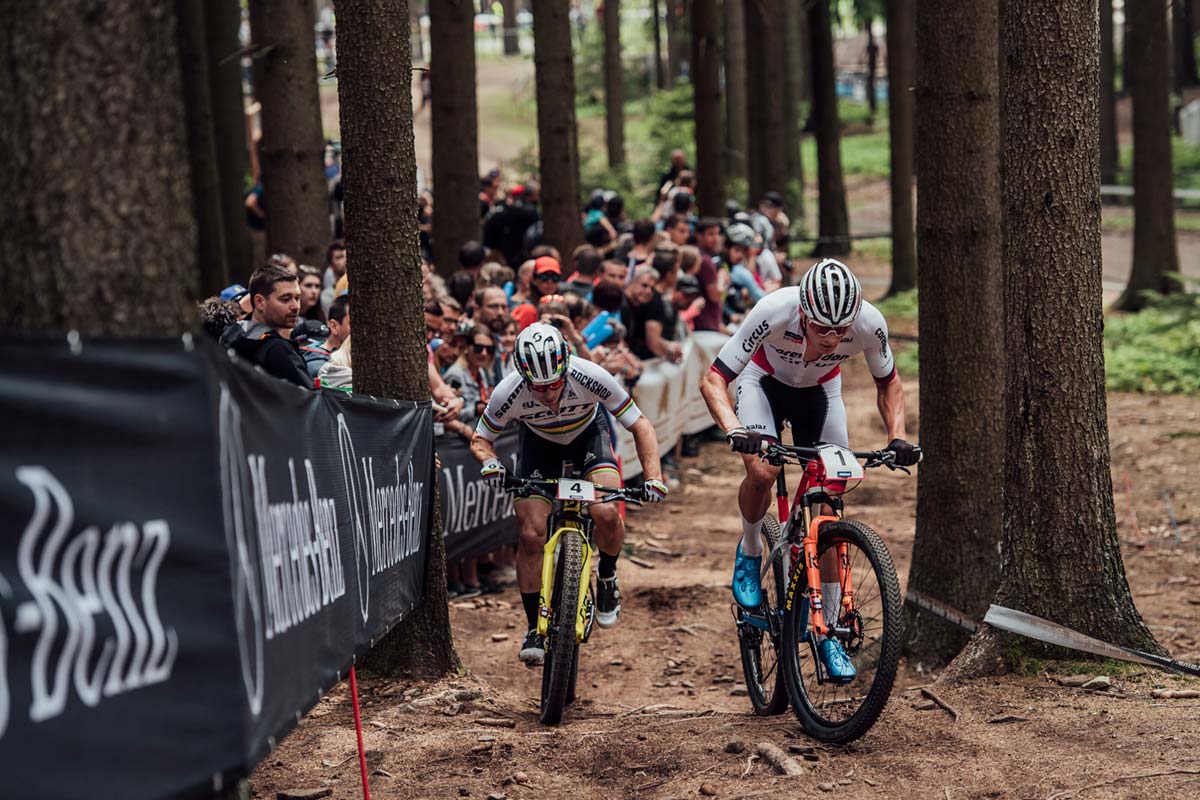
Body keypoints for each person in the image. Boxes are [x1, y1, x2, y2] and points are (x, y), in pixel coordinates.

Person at [698, 259, 920, 683]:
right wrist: (735, 429)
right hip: (762, 384)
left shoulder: (869, 324)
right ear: (803, 313)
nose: (834, 338)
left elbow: (888, 382)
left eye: (841, 331)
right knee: (763, 473)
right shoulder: (772, 310)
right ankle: (749, 551)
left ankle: (829, 632)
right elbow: (713, 380)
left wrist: (897, 436)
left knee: (828, 508)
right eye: (823, 330)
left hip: (821, 392)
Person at [470, 323, 668, 665]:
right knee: (531, 534)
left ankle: (606, 574)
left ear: (566, 367)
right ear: (523, 376)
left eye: (555, 384)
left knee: (605, 513)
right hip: (537, 446)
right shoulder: (509, 391)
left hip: (588, 437)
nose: (548, 395)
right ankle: (534, 626)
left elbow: (640, 424)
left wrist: (653, 477)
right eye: (539, 387)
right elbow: (480, 439)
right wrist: (491, 463)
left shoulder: (590, 375)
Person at [219, 263, 311, 388]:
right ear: (260, 302)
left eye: (297, 298)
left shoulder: (231, 333)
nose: (296, 306)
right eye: (285, 299)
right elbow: (310, 400)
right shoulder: (278, 350)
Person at [621, 265, 682, 363]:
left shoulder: (642, 306)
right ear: (632, 282)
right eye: (644, 285)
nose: (648, 291)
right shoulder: (621, 304)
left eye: (652, 288)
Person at [444, 325, 496, 426]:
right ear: (467, 348)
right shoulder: (456, 375)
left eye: (489, 349)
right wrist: (475, 410)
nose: (484, 353)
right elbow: (446, 415)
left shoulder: (482, 372)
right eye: (478, 348)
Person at [692, 219, 725, 332]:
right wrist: (722, 278)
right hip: (705, 325)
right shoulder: (705, 261)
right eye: (711, 234)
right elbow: (715, 296)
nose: (716, 238)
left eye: (718, 233)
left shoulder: (708, 257)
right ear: (699, 236)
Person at [321, 240, 347, 312]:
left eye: (348, 255)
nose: (346, 260)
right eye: (339, 257)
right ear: (331, 265)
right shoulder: (327, 296)